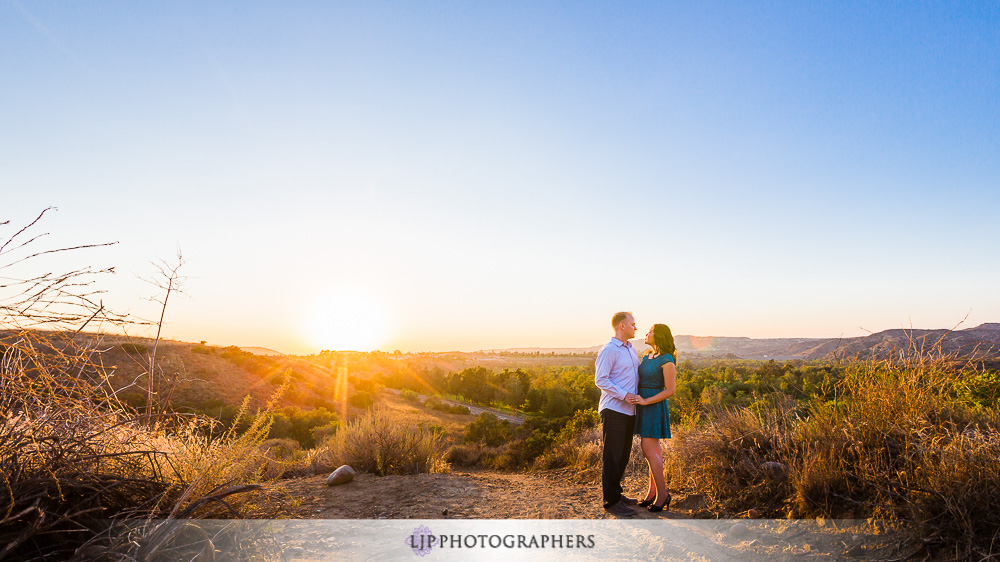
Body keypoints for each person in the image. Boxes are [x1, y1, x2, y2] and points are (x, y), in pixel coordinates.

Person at [594, 311, 642, 516]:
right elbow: (601, 380)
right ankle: (611, 502)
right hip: (613, 409)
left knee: (622, 456)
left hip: (629, 411)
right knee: (612, 456)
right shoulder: (609, 350)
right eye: (633, 324)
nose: (635, 328)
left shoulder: (631, 350)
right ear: (622, 326)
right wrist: (624, 395)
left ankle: (617, 494)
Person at [626, 323, 677, 512]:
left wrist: (646, 402)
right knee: (654, 452)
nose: (646, 334)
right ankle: (652, 493)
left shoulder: (667, 359)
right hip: (643, 406)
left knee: (648, 451)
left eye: (650, 332)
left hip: (653, 407)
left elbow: (670, 390)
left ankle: (663, 495)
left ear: (659, 336)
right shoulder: (647, 357)